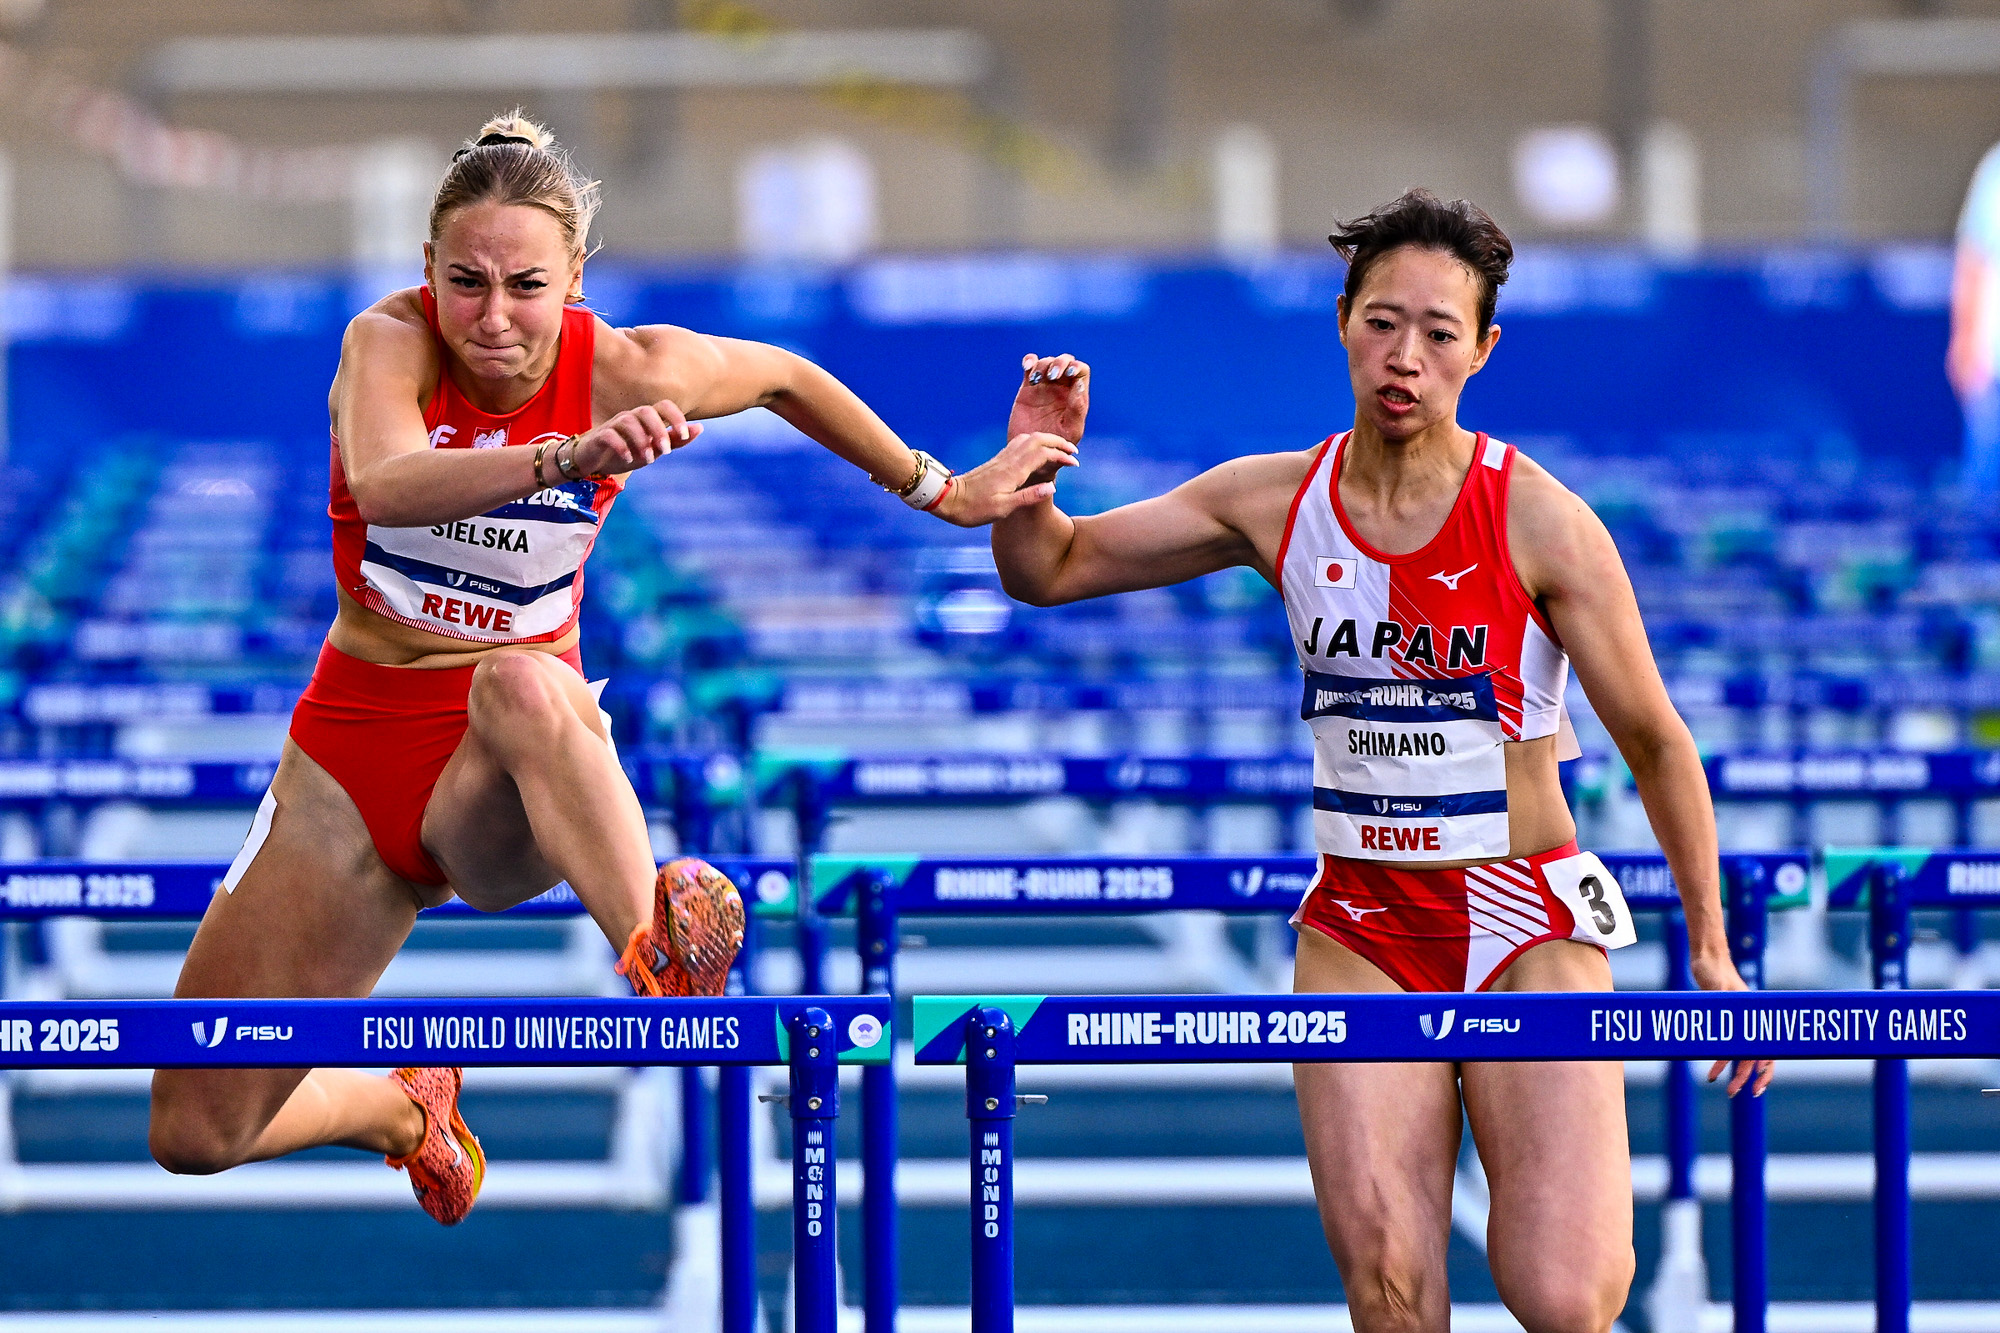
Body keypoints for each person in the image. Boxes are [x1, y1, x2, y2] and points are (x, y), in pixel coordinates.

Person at [147, 112, 1084, 1225]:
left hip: (503, 769)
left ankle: (655, 942)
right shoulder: (386, 343)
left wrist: (944, 490)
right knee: (194, 1131)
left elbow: (785, 377)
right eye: (466, 284)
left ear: (576, 279)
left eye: (526, 286)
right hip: (346, 763)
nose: (493, 318)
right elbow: (388, 483)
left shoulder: (632, 366)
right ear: (428, 271)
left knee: (519, 679)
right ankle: (402, 1107)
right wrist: (563, 456)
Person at [989, 188, 1772, 1333]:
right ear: (1342, 323)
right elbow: (1046, 570)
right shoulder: (1273, 500)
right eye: (1382, 323)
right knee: (1392, 1298)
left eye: (1438, 334)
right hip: (1359, 925)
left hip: (1524, 916)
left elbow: (1655, 740)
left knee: (1567, 1296)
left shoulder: (1541, 520)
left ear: (1481, 350)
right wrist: (1033, 459)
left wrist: (1710, 947)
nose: (1405, 357)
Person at [1950, 140, 2000, 503]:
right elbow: (1972, 259)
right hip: (1994, 374)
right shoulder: (1996, 169)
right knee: (1984, 503)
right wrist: (1963, 341)